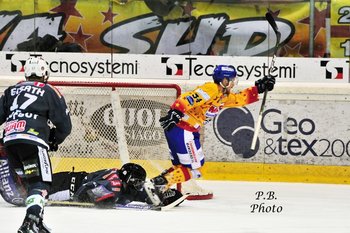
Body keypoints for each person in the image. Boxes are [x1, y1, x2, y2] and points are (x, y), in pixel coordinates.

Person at [150, 65, 275, 197]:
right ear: (224, 81)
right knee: (195, 169)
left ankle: (158, 186)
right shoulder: (212, 88)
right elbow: (189, 98)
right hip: (184, 131)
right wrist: (176, 111)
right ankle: (162, 183)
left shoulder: (223, 96)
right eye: (231, 80)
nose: (233, 83)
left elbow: (239, 99)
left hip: (180, 130)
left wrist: (259, 88)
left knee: (181, 166)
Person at [0, 57, 72, 233]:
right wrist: (54, 139)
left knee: (31, 183)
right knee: (40, 184)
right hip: (33, 142)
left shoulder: (12, 90)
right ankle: (30, 222)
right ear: (45, 73)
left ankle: (37, 221)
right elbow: (64, 125)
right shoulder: (49, 90)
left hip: (11, 145)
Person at [0, 140, 182, 209]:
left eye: (138, 182)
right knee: (22, 195)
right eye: (135, 181)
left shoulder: (126, 184)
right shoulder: (115, 182)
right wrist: (102, 200)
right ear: (127, 178)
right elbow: (84, 192)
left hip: (69, 179)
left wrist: (166, 195)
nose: (137, 184)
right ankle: (5, 156)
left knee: (27, 189)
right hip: (65, 185)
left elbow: (144, 194)